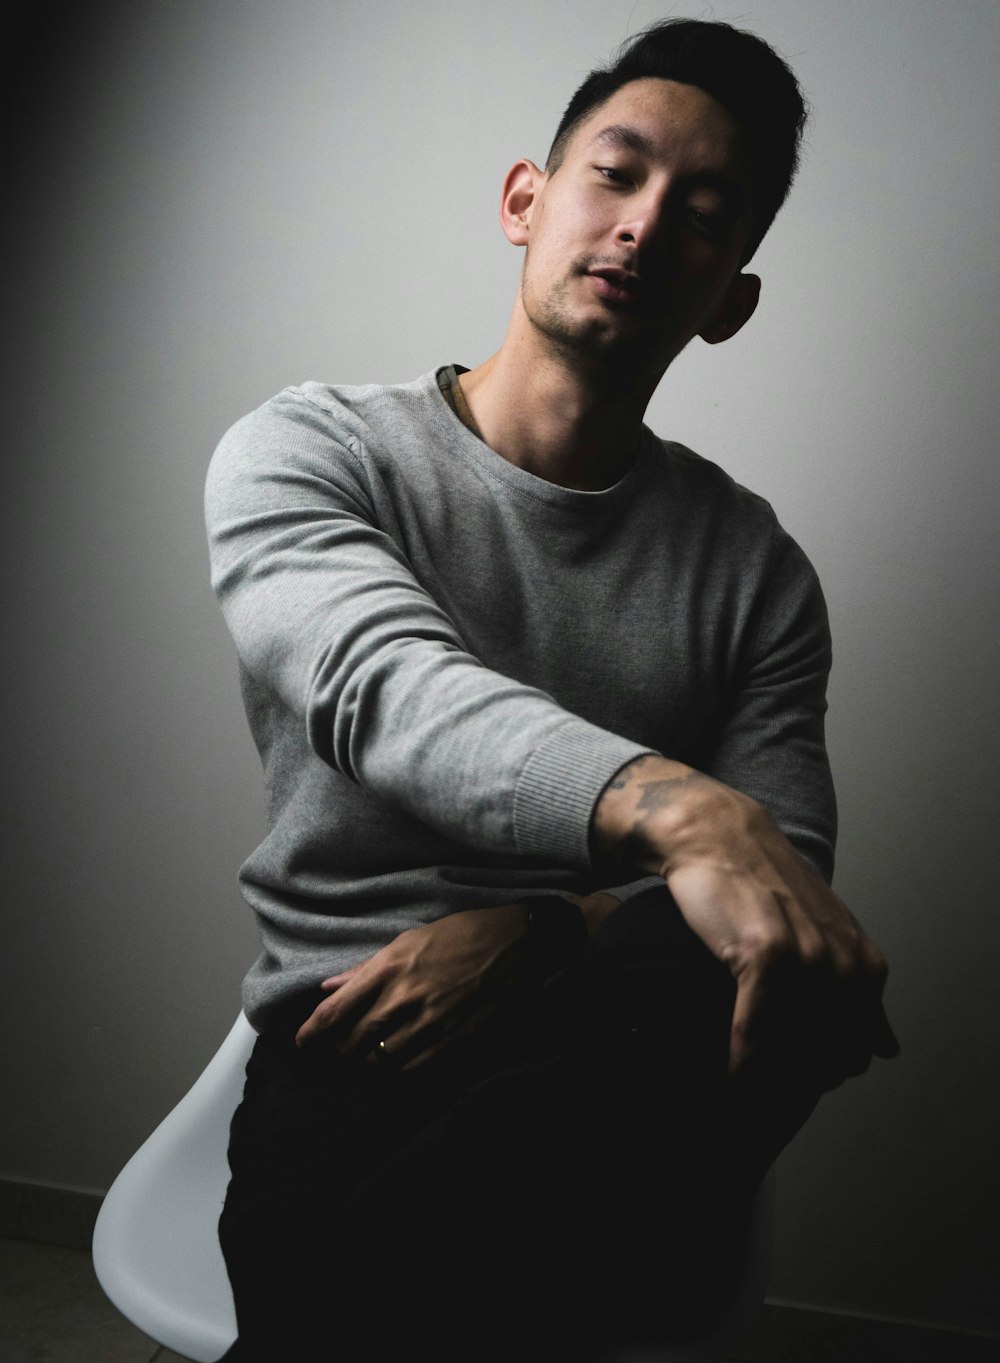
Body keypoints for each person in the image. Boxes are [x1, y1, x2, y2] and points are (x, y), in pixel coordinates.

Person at [205, 17, 898, 1362]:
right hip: (359, 1044)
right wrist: (682, 814)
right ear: (528, 201)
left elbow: (784, 867)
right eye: (617, 173)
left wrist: (546, 934)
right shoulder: (314, 451)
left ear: (731, 297)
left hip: (612, 1037)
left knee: (799, 966)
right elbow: (382, 688)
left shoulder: (752, 567)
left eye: (701, 215)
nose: (643, 226)